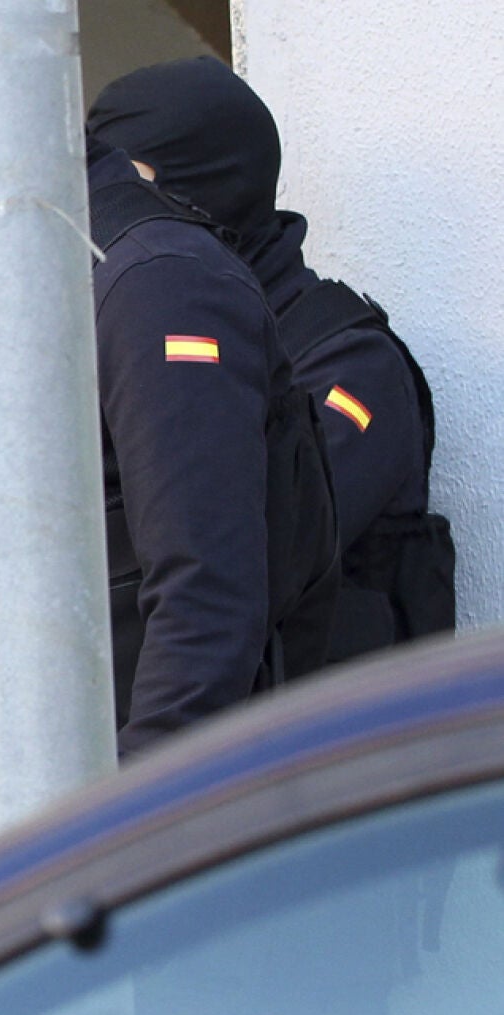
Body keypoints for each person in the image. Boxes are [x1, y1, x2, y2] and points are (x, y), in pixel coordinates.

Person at [89, 57, 454, 662]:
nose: (113, 212)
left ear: (206, 184)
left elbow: (244, 553)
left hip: (328, 742)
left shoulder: (350, 363)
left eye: (132, 183)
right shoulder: (132, 331)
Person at [85, 133, 335, 754]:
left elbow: (207, 596)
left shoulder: (157, 282)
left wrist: (136, 809)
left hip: (127, 807)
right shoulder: (70, 271)